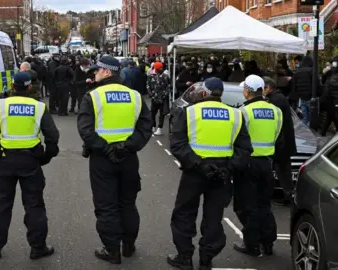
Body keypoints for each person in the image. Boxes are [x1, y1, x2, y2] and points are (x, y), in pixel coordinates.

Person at [168, 77, 252, 270]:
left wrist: (199, 165)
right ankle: (206, 260)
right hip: (222, 174)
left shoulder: (188, 112)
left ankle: (184, 257)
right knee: (214, 217)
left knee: (184, 214)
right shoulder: (236, 115)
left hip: (194, 172)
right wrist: (228, 168)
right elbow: (245, 150)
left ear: (204, 93)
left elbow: (178, 145)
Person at [0, 72, 60, 260]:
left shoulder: (1, 106)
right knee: (34, 205)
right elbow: (53, 137)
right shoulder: (38, 107)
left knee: (0, 205)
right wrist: (45, 157)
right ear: (30, 87)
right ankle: (38, 248)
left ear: (12, 86)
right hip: (31, 162)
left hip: (5, 161)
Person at [77, 56, 153, 264]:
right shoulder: (135, 96)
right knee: (127, 203)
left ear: (107, 72)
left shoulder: (92, 96)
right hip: (128, 158)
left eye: (97, 70)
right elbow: (145, 128)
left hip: (102, 160)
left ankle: (112, 250)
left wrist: (106, 148)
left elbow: (85, 130)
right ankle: (128, 246)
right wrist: (127, 147)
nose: (94, 73)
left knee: (106, 205)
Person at [233, 75, 283, 256]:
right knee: (264, 205)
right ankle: (268, 244)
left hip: (248, 164)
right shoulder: (276, 111)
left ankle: (251, 245)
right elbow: (277, 134)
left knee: (248, 206)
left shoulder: (244, 112)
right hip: (267, 164)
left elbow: (238, 137)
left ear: (247, 91)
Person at [263, 76, 297, 206]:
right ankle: (287, 195)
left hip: (283, 142)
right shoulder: (278, 98)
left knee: (283, 171)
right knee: (281, 170)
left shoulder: (276, 100)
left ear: (268, 87)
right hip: (284, 140)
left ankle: (289, 196)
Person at [147, 61, 171, 135]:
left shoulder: (165, 77)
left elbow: (169, 87)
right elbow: (148, 86)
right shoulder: (151, 77)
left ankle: (159, 128)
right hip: (154, 98)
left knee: (162, 114)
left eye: (161, 68)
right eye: (159, 68)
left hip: (162, 99)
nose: (160, 69)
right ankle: (153, 126)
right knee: (152, 113)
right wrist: (152, 95)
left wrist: (164, 95)